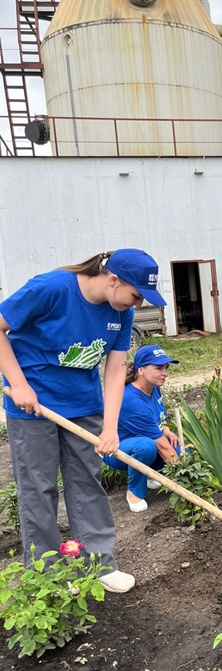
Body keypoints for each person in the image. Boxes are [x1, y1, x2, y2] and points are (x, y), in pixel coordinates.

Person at [0, 249, 166, 593]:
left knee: (87, 481)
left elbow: (117, 369)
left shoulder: (121, 315)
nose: (136, 304)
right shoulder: (52, 288)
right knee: (39, 487)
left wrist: (109, 427)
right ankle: (47, 576)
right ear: (114, 279)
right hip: (33, 406)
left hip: (84, 405)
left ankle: (99, 564)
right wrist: (18, 384)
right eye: (135, 295)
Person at [102, 345, 180, 513]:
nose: (165, 373)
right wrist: (187, 478)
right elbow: (162, 446)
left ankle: (148, 473)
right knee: (147, 446)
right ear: (141, 370)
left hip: (143, 439)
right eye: (158, 368)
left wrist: (166, 430)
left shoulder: (153, 388)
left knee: (176, 447)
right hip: (117, 450)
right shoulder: (132, 400)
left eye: (166, 367)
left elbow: (158, 420)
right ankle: (135, 492)